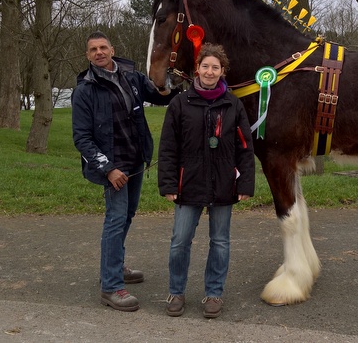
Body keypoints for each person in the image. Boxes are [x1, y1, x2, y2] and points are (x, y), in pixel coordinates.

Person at [72, 31, 177, 312]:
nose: (99, 53)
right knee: (116, 219)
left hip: (135, 161)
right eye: (93, 49)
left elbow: (159, 96)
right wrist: (108, 169)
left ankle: (114, 266)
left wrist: (176, 85)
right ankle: (110, 286)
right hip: (113, 168)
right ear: (88, 55)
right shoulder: (85, 90)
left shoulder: (130, 76)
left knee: (127, 216)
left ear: (112, 49)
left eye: (103, 47)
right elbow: (81, 138)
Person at [158, 43, 255, 319]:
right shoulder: (180, 103)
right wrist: (167, 184)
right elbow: (168, 147)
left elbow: (244, 147)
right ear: (196, 69)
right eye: (205, 66)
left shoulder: (233, 105)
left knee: (220, 242)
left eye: (215, 67)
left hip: (224, 184)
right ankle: (176, 292)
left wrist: (245, 183)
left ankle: (214, 293)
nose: (209, 71)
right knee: (180, 241)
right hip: (188, 184)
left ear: (222, 71)